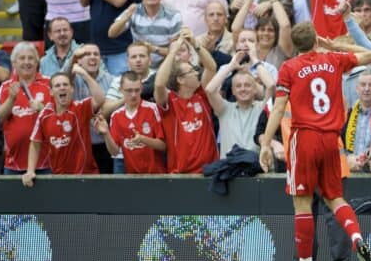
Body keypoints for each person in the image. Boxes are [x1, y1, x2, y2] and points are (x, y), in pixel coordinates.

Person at [259, 21, 371, 261]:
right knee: (335, 198)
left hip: (305, 138)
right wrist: (334, 45)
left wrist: (266, 143)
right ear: (316, 40)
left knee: (302, 202)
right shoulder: (334, 59)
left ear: (294, 44)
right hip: (331, 140)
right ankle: (357, 239)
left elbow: (279, 108)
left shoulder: (289, 67)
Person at [22, 70, 105, 186]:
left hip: (86, 176)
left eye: (65, 85)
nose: (62, 88)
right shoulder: (45, 114)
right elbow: (35, 143)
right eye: (57, 85)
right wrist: (30, 171)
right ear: (50, 92)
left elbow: (100, 99)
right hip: (59, 178)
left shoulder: (80, 108)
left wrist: (84, 74)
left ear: (72, 89)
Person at [154, 34, 218, 173]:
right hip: (181, 173)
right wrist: (172, 52)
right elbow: (159, 84)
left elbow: (211, 67)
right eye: (191, 71)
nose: (196, 73)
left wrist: (195, 43)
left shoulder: (202, 94)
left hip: (209, 171)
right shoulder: (168, 101)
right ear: (180, 80)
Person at [0, 42, 52, 175]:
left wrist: (42, 109)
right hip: (13, 163)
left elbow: (58, 118)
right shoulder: (5, 87)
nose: (27, 62)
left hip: (46, 162)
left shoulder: (49, 84)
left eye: (31, 58)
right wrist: (11, 99)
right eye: (22, 58)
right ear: (14, 63)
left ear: (37, 62)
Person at [205, 49, 274, 158]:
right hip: (230, 170)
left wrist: (255, 60)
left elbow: (271, 85)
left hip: (257, 171)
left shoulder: (262, 108)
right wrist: (231, 66)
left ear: (255, 89)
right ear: (232, 91)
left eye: (247, 85)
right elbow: (209, 90)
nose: (243, 89)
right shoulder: (224, 109)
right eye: (238, 86)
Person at [95, 71, 167, 174]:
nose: (133, 95)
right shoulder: (116, 116)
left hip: (156, 174)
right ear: (120, 90)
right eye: (129, 91)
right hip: (132, 175)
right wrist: (106, 134)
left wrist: (142, 139)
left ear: (142, 89)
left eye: (137, 90)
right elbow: (114, 152)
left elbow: (163, 145)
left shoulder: (153, 109)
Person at [108, 0, 182, 67]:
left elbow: (177, 52)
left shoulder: (173, 15)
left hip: (165, 65)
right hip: (140, 65)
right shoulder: (133, 11)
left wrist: (153, 49)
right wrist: (127, 15)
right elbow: (112, 33)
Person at [71, 43, 114, 173]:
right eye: (87, 54)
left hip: (103, 143)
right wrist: (72, 63)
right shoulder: (72, 78)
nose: (93, 57)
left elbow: (106, 109)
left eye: (96, 54)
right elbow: (62, 78)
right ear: (78, 60)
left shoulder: (110, 79)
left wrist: (85, 74)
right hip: (78, 144)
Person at [341, 68, 371, 173]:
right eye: (363, 85)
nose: (366, 89)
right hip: (350, 172)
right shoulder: (347, 114)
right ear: (357, 89)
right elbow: (339, 143)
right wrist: (347, 159)